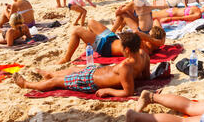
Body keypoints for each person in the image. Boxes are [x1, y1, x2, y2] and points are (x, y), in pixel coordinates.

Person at [16, 32, 150, 98]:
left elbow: (128, 92)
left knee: (56, 81)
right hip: (96, 72)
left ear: (126, 50)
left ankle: (27, 85)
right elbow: (146, 76)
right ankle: (49, 73)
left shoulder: (125, 67)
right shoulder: (144, 55)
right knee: (74, 69)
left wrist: (108, 90)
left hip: (90, 81)